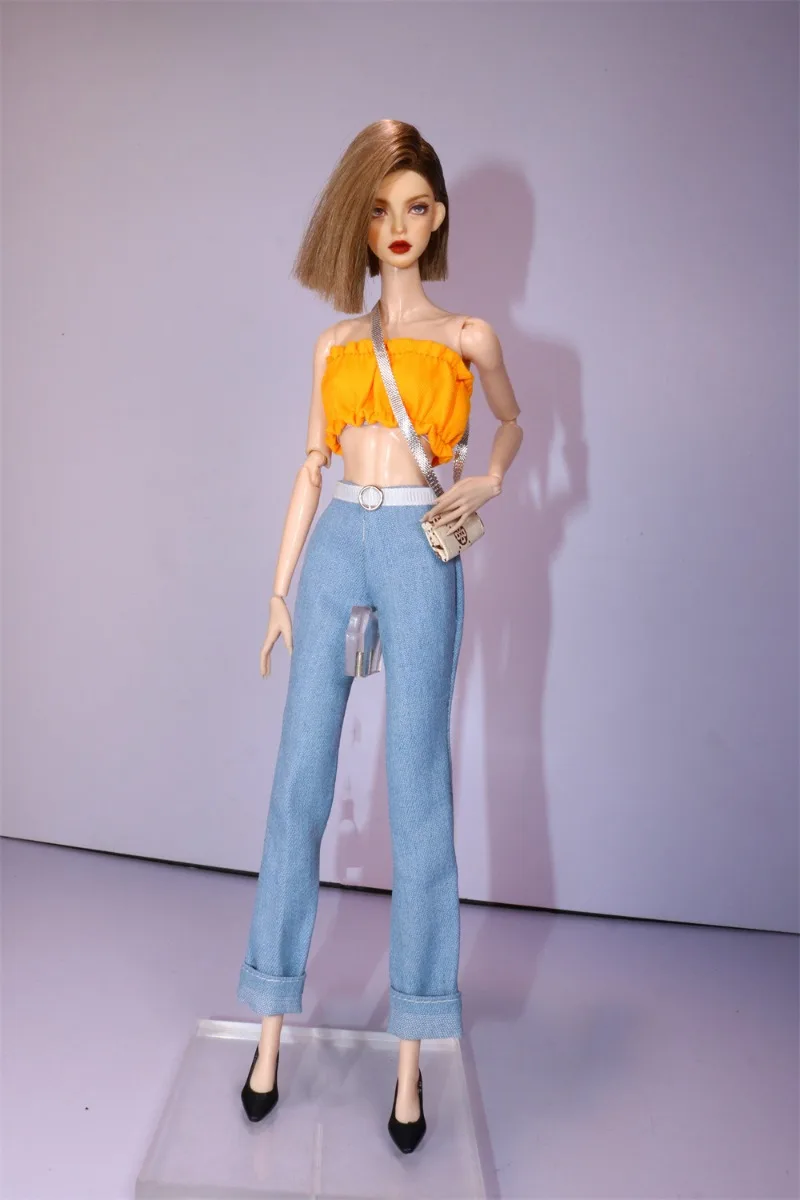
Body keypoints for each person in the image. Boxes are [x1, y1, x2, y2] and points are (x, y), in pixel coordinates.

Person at [236, 118, 523, 1152]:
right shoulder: (334, 345)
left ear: (435, 216)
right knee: (297, 782)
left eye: (414, 206)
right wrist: (278, 589)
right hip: (334, 546)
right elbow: (310, 466)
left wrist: (488, 480)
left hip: (416, 541)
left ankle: (411, 1053)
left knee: (417, 788)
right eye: (377, 209)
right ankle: (268, 1026)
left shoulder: (468, 337)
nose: (397, 225)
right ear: (355, 222)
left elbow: (512, 421)